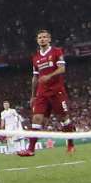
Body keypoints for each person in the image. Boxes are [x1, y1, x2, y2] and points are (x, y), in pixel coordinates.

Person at [19, 29, 73, 157]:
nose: (42, 39)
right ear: (37, 41)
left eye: (44, 37)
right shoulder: (36, 57)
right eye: (40, 38)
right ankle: (30, 149)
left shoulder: (56, 51)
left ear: (49, 39)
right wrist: (32, 96)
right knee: (36, 118)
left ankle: (70, 143)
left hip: (56, 91)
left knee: (63, 118)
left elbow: (62, 68)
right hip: (42, 93)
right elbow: (35, 77)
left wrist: (49, 76)